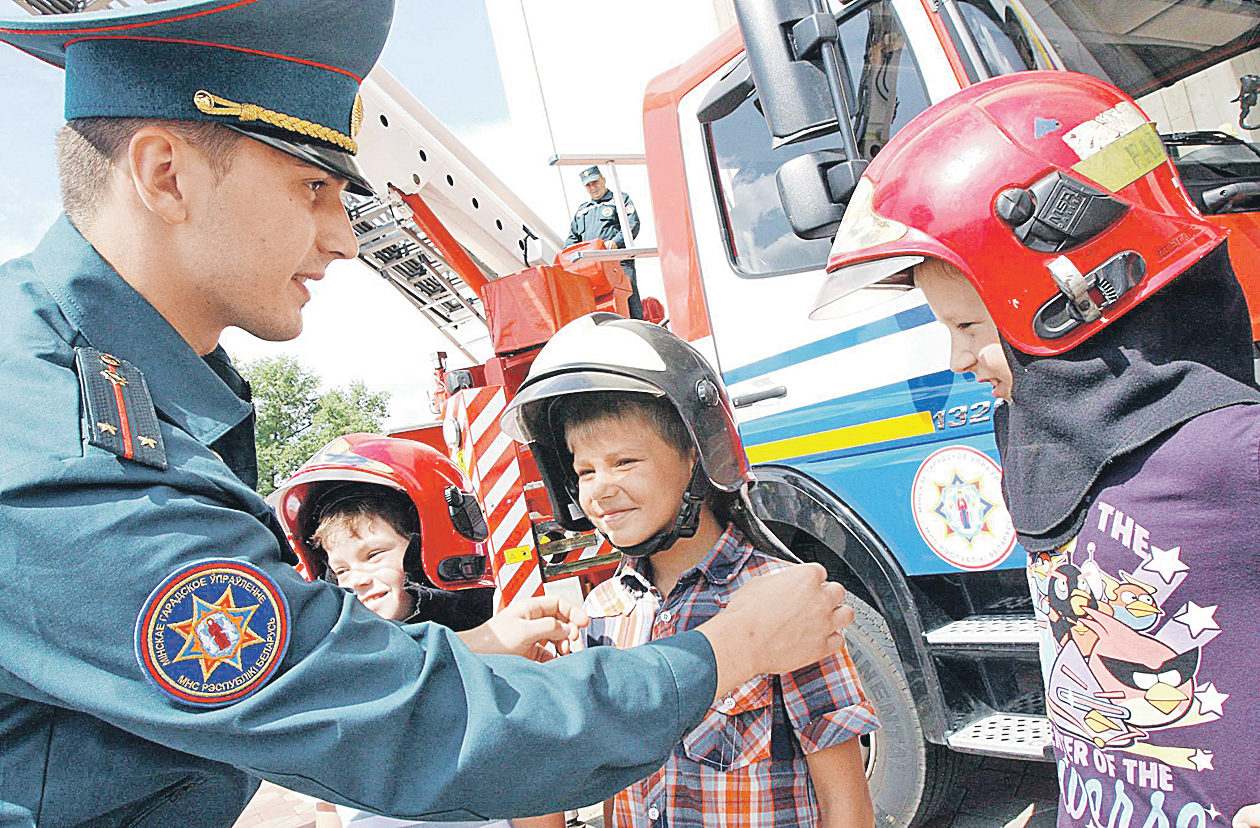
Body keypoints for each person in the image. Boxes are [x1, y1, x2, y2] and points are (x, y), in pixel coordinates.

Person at [0, 2, 857, 825]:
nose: (343, 237)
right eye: (311, 187)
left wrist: (471, 651)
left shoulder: (104, 389)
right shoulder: (70, 457)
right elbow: (394, 731)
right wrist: (731, 651)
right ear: (165, 175)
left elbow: (299, 675)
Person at [812, 71, 1260, 828]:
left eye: (966, 326)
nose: (954, 359)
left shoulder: (1227, 452)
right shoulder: (1047, 448)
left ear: (1073, 294)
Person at [501, 313, 878, 828]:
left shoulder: (782, 600)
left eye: (624, 462)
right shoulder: (602, 613)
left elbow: (847, 803)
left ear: (697, 456)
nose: (599, 489)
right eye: (585, 470)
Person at [269, 434, 563, 828]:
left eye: (374, 555)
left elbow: (535, 796)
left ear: (428, 549)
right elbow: (329, 805)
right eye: (339, 570)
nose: (354, 581)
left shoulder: (494, 674)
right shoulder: (331, 687)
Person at [565, 165, 644, 318]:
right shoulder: (582, 211)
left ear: (603, 179)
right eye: (588, 185)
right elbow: (572, 239)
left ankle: (638, 329)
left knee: (628, 298)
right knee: (598, 305)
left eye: (595, 182)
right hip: (593, 267)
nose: (593, 187)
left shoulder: (619, 200)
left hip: (618, 261)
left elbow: (632, 224)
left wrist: (615, 242)